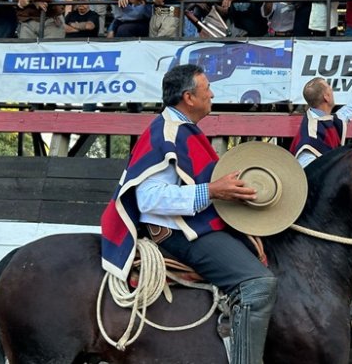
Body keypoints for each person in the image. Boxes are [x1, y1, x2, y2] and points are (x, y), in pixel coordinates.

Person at [101, 64, 277, 364]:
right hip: (179, 232)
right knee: (257, 283)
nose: (212, 93)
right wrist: (212, 191)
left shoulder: (184, 130)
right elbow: (148, 199)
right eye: (206, 87)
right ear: (189, 97)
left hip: (193, 223)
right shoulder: (166, 134)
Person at [290, 71, 352, 167]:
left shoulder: (321, 117)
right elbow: (307, 173)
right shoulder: (310, 138)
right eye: (329, 88)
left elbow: (345, 113)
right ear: (327, 97)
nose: (332, 90)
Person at [1, 0, 66, 39]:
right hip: (26, 21)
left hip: (50, 22)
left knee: (51, 49)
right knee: (26, 49)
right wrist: (33, 1)